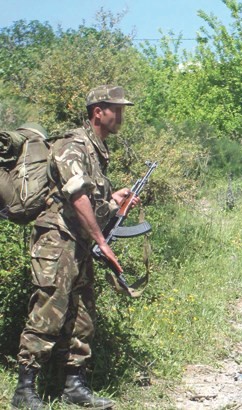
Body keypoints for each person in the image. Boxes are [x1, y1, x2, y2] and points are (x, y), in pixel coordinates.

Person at [11, 85, 139, 410]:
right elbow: (77, 198)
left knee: (82, 314)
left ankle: (73, 386)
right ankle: (24, 390)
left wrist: (113, 202)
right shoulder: (73, 145)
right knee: (49, 309)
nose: (121, 115)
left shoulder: (97, 151)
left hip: (78, 242)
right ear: (99, 112)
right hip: (57, 239)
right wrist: (102, 242)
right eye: (116, 108)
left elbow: (91, 206)